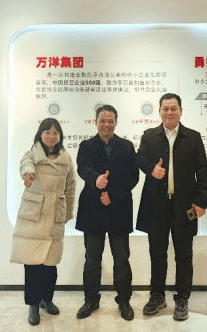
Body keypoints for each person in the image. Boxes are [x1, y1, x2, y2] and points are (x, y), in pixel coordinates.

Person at [136, 93, 207, 321]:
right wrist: (151, 168)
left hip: (184, 206)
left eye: (173, 108)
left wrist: (201, 201)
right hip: (156, 206)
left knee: (184, 255)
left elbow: (202, 171)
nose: (169, 112)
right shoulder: (149, 136)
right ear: (159, 111)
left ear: (180, 111)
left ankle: (182, 298)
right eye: (165, 108)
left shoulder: (193, 137)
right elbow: (139, 158)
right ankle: (157, 295)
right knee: (157, 253)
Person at [75, 104, 139, 321]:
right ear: (96, 122)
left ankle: (124, 300)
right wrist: (96, 179)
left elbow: (133, 177)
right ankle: (91, 300)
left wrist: (112, 194)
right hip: (92, 210)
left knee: (121, 260)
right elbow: (82, 167)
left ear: (116, 123)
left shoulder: (127, 146)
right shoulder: (86, 146)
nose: (106, 125)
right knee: (92, 260)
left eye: (110, 121)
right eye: (102, 121)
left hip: (119, 209)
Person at [10, 118, 77, 326]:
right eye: (47, 132)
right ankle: (33, 304)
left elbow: (71, 187)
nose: (51, 136)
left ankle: (46, 299)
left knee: (50, 264)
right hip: (34, 215)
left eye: (55, 133)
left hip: (55, 214)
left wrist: (67, 212)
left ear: (60, 136)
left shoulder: (66, 158)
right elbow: (26, 165)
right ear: (40, 134)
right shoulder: (32, 154)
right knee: (32, 264)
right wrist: (28, 175)